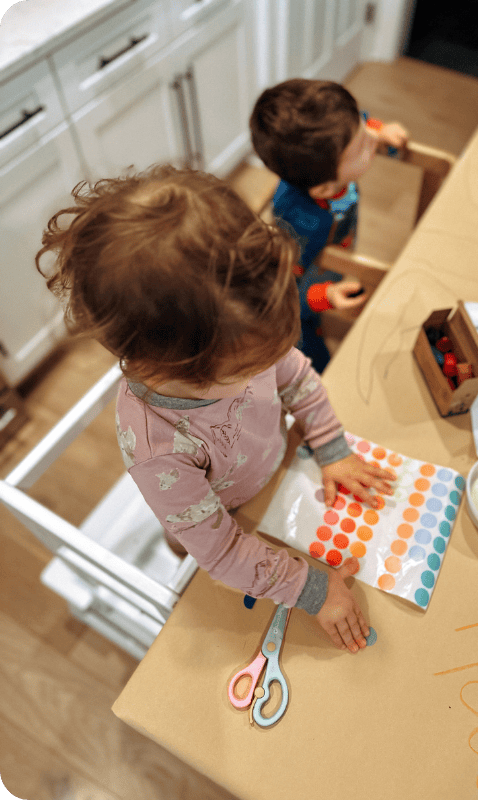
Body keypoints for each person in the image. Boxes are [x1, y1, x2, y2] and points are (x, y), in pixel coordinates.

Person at [35, 165, 396, 654]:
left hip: (275, 477)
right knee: (188, 552)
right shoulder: (158, 447)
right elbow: (223, 552)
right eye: (252, 364)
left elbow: (296, 377)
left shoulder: (239, 332)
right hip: (222, 524)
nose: (271, 362)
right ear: (170, 369)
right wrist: (314, 590)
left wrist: (332, 447)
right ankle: (173, 550)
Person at [250, 78, 408, 372]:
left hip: (331, 256)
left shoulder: (338, 143)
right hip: (300, 284)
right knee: (308, 350)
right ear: (324, 190)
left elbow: (358, 122)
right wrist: (326, 296)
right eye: (362, 146)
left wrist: (378, 128)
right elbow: (285, 293)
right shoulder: (305, 224)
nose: (370, 139)